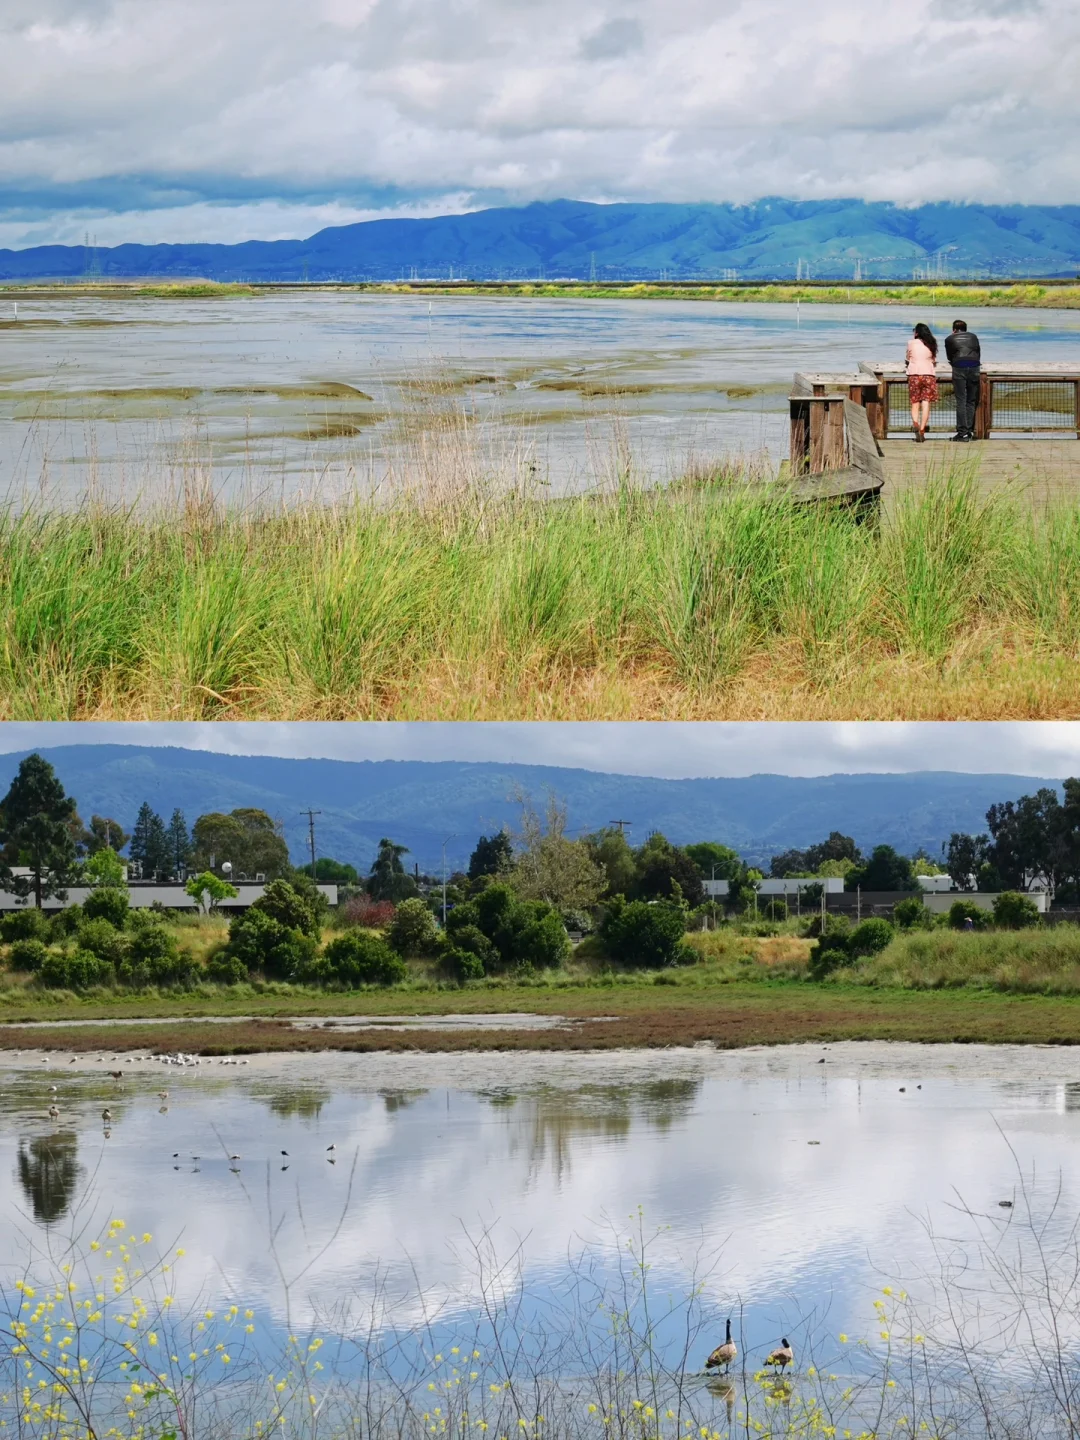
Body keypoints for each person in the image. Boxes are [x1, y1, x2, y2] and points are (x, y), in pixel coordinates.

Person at [945, 319, 981, 441]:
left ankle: (962, 432)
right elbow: (978, 352)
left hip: (959, 367)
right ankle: (969, 431)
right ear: (966, 329)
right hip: (974, 366)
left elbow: (949, 356)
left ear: (954, 329)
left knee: (961, 400)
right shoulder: (974, 337)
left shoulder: (950, 339)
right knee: (971, 400)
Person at [905, 322, 938, 442]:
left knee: (915, 402)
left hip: (914, 374)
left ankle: (915, 424)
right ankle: (922, 429)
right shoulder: (932, 343)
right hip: (928, 375)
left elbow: (908, 357)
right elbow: (933, 359)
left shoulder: (911, 343)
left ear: (917, 333)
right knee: (926, 403)